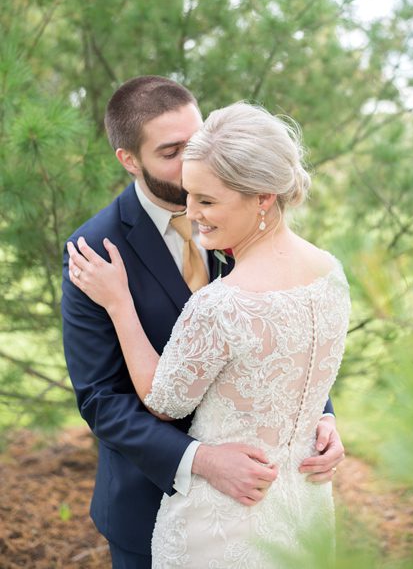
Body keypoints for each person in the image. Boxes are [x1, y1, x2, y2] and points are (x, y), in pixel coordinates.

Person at [61, 77, 344, 568]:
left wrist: (320, 416)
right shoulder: (94, 252)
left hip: (276, 501)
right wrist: (202, 460)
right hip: (151, 503)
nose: (193, 162)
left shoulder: (245, 214)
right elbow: (101, 399)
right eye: (172, 151)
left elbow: (286, 330)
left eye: (196, 141)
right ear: (130, 159)